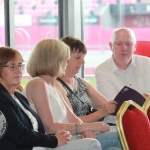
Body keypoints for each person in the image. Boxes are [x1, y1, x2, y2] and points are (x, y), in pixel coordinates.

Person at [23, 39, 122, 150]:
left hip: (67, 139)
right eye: (65, 59)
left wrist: (86, 129)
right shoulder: (38, 84)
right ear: (54, 60)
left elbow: (73, 118)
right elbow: (49, 127)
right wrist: (89, 126)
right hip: (53, 144)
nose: (66, 63)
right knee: (120, 137)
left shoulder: (53, 86)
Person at [0, 46, 102, 150]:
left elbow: (38, 129)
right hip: (40, 146)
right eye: (12, 66)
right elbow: (20, 135)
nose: (18, 71)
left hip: (45, 145)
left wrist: (59, 135)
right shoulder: (2, 98)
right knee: (92, 144)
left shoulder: (18, 96)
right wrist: (55, 140)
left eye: (20, 65)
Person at [58, 36, 118, 123]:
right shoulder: (57, 85)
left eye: (83, 57)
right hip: (77, 133)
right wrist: (101, 113)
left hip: (92, 130)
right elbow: (70, 122)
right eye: (78, 57)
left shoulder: (82, 83)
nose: (83, 62)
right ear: (64, 58)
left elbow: (110, 107)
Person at [95, 27, 150, 100]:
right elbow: (114, 105)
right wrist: (142, 101)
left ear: (135, 46)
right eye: (119, 44)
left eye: (128, 44)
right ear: (111, 46)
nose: (124, 48)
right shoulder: (102, 71)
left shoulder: (147, 64)